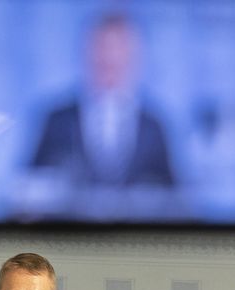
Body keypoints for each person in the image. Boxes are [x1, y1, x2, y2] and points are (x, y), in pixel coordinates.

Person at [22, 12, 175, 217]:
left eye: (118, 48)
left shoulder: (153, 125)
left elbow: (176, 201)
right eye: (102, 47)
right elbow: (26, 193)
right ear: (86, 52)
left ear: (134, 55)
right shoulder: (56, 120)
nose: (109, 57)